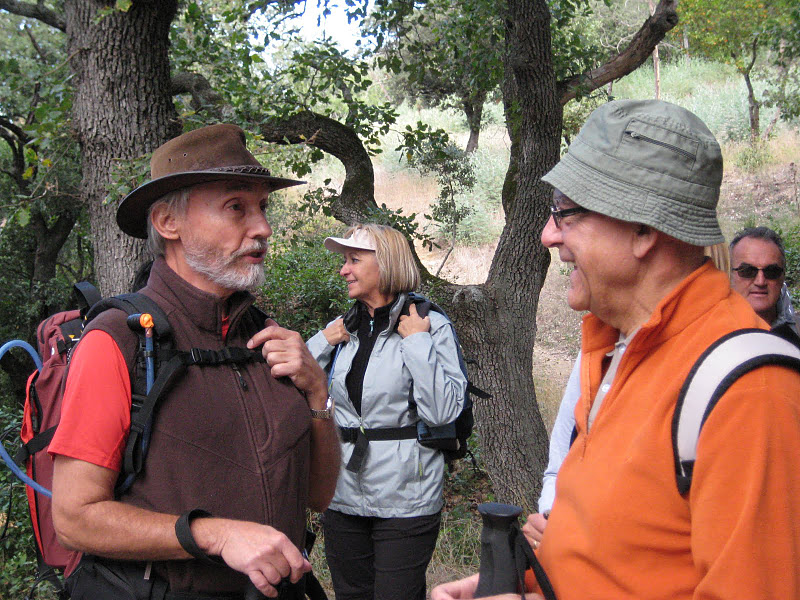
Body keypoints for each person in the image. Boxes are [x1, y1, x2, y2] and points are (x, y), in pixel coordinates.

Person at [432, 99, 800, 600]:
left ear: (643, 229)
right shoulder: (616, 350)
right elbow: (619, 557)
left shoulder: (748, 389)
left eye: (565, 213)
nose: (548, 236)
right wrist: (526, 583)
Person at [48, 124, 341, 599]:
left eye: (262, 207)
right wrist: (217, 534)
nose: (263, 227)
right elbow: (75, 519)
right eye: (235, 207)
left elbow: (317, 496)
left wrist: (318, 397)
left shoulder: (266, 339)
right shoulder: (117, 342)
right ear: (168, 223)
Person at [306, 223, 467, 600]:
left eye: (354, 259)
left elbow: (442, 411)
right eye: (344, 260)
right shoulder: (347, 328)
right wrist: (322, 340)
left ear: (387, 263)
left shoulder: (431, 326)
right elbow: (292, 384)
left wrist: (418, 342)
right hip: (343, 490)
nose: (344, 269)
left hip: (406, 496)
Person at [531, 242, 732, 537]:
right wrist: (551, 521)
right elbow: (561, 461)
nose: (552, 236)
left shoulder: (731, 372)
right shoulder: (600, 348)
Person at [730, 226, 800, 346]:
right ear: (729, 274)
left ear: (783, 276)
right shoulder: (711, 333)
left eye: (771, 271)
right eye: (747, 271)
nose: (760, 281)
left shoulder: (797, 333)